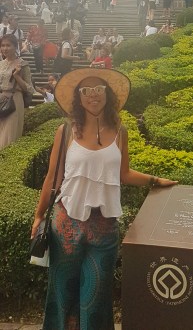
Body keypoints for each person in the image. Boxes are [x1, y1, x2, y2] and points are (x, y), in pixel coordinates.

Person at [31, 68, 177, 329]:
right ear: (79, 97)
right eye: (86, 90)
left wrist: (155, 180)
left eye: (98, 89)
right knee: (62, 292)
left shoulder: (120, 131)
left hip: (105, 227)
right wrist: (39, 215)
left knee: (96, 296)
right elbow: (52, 177)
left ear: (107, 94)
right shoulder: (65, 131)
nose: (93, 95)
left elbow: (124, 174)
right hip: (66, 225)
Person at [0, 34, 34, 149]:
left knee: (9, 137)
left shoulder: (23, 64)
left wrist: (17, 77)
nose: (5, 48)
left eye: (8, 45)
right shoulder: (1, 64)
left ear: (15, 46)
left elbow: (30, 89)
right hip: (1, 100)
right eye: (3, 45)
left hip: (14, 101)